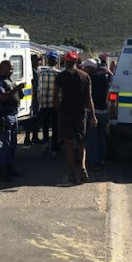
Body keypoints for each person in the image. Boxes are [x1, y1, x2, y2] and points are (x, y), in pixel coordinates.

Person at [55, 51, 97, 184]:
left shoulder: (61, 76)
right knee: (81, 142)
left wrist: (58, 112)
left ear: (66, 62)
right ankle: (83, 167)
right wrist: (93, 116)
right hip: (80, 113)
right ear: (76, 62)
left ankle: (73, 172)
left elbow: (55, 97)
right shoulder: (85, 76)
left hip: (66, 112)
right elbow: (89, 98)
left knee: (68, 143)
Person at [0, 60, 26, 181]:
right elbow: (2, 96)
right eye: (9, 69)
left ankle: (10, 169)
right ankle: (1, 172)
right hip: (3, 116)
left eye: (12, 69)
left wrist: (19, 91)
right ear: (2, 68)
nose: (11, 71)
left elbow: (15, 95)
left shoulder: (9, 80)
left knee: (12, 145)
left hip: (13, 115)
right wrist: (16, 88)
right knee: (3, 145)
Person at [82, 58, 112, 170]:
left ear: (91, 67)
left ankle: (94, 163)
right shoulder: (107, 75)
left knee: (92, 138)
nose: (84, 69)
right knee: (101, 137)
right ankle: (101, 159)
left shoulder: (91, 78)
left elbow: (88, 97)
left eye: (86, 67)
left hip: (93, 112)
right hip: (105, 112)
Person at [37, 51, 61, 156]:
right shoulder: (59, 74)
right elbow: (60, 92)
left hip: (44, 104)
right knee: (55, 127)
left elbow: (38, 90)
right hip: (55, 105)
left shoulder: (41, 73)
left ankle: (45, 143)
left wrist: (39, 102)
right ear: (56, 62)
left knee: (45, 125)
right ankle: (54, 149)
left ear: (47, 61)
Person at [23, 54, 41, 145]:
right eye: (37, 60)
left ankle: (35, 137)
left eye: (39, 60)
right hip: (32, 98)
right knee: (31, 119)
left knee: (36, 119)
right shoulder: (31, 71)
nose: (39, 62)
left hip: (36, 97)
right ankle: (27, 138)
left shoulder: (37, 70)